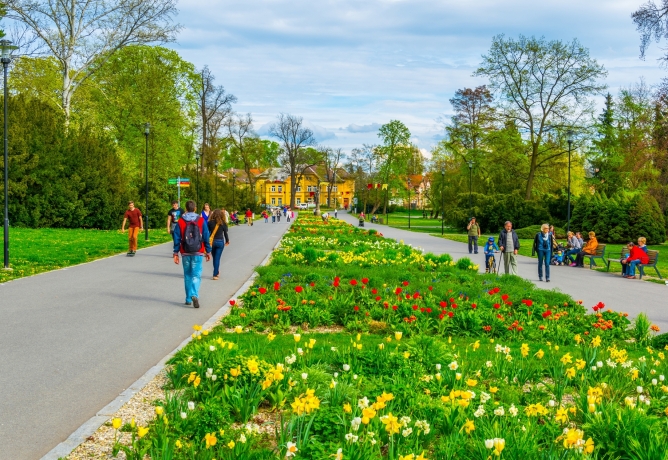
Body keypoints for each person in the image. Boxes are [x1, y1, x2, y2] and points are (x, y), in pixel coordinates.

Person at [172, 200, 211, 308]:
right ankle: (194, 294)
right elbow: (206, 236)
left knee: (187, 275)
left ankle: (188, 298)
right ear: (195, 208)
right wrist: (208, 251)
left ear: (186, 208)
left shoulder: (180, 221)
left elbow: (176, 237)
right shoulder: (201, 220)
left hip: (185, 252)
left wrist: (175, 252)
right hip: (198, 251)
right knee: (196, 275)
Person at [207, 209, 229, 280]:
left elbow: (207, 232)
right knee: (217, 258)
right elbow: (225, 233)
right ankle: (215, 274)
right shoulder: (223, 223)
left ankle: (216, 271)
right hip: (220, 242)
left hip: (212, 242)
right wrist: (227, 240)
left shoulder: (210, 222)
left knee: (215, 258)